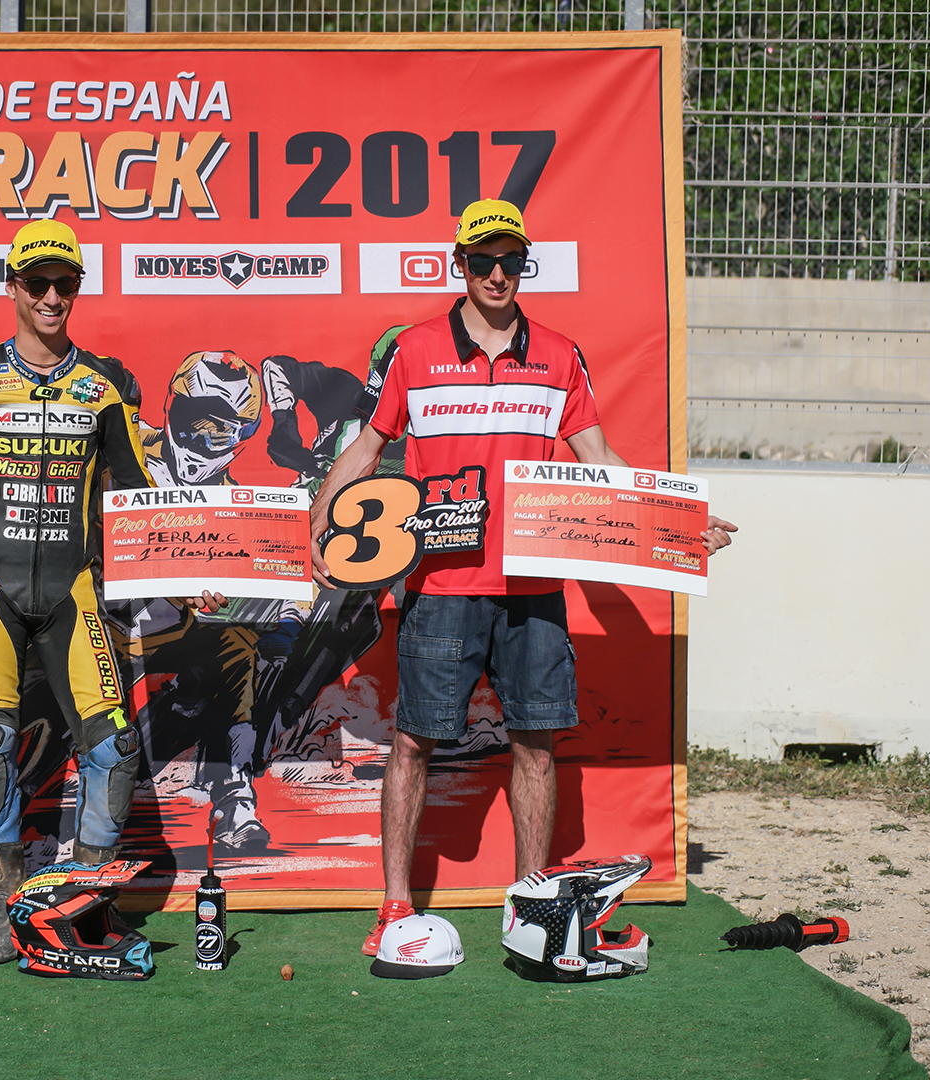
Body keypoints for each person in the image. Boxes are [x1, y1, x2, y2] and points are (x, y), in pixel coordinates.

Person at [307, 199, 737, 957]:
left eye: (511, 260)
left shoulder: (562, 354)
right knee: (412, 745)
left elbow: (600, 464)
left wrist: (677, 527)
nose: (498, 274)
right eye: (483, 260)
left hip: (534, 586)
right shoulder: (412, 350)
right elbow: (368, 449)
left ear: (524, 265)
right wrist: (322, 518)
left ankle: (530, 907)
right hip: (440, 588)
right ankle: (394, 906)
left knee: (536, 746)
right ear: (459, 264)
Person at [0, 220, 219, 965]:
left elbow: (140, 491)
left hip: (75, 591)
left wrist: (191, 565)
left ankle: (80, 904)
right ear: (12, 286)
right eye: (36, 283)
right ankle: (5, 914)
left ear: (77, 289)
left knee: (114, 745)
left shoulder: (105, 386)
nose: (50, 297)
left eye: (63, 284)